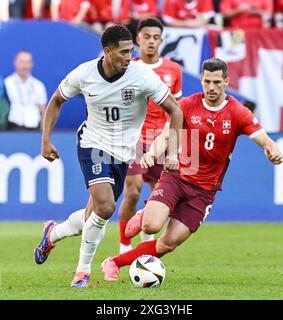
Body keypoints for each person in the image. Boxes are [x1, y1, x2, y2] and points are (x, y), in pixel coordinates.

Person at [100, 57, 283, 281]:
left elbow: (265, 139)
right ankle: (147, 214)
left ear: (226, 81)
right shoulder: (187, 104)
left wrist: (273, 150)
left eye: (217, 82)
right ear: (201, 80)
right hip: (176, 177)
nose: (212, 88)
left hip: (204, 191)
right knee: (151, 226)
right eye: (207, 82)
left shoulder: (237, 112)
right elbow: (166, 135)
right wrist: (151, 153)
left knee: (168, 243)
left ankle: (113, 262)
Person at [34, 24, 183, 288]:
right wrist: (45, 140)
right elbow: (57, 100)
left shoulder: (142, 76)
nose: (129, 57)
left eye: (130, 51)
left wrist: (175, 148)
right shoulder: (84, 73)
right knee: (105, 207)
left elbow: (175, 110)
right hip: (92, 142)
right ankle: (82, 273)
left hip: (123, 154)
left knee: (93, 217)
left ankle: (52, 234)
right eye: (124, 52)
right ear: (107, 52)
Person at [117, 18, 183, 254]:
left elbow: (176, 110)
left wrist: (173, 146)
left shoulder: (173, 70)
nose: (151, 42)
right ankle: (124, 246)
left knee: (160, 198)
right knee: (132, 191)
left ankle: (145, 247)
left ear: (161, 40)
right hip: (135, 138)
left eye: (156, 37)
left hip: (161, 140)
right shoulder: (128, 68)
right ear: (137, 39)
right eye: (147, 37)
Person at [4, 51, 47, 131]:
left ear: (32, 64)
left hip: (34, 127)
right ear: (15, 62)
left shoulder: (38, 85)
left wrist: (44, 131)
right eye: (22, 62)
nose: (25, 66)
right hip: (13, 127)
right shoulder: (7, 83)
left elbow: (43, 110)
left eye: (28, 62)